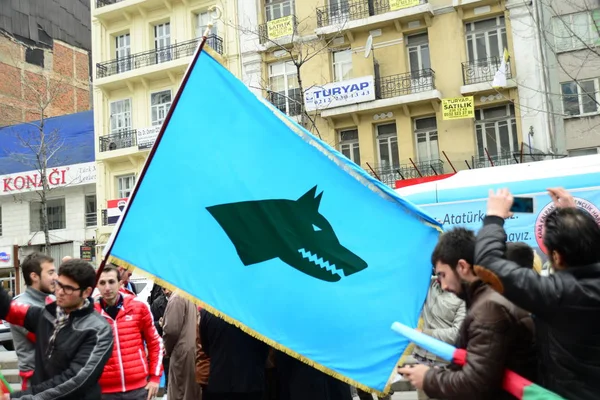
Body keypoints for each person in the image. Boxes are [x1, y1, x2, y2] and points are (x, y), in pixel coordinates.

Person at [474, 187, 600, 400]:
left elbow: (488, 264)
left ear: (557, 257)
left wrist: (494, 217)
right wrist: (574, 218)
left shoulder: (557, 295)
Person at [398, 227, 536, 400]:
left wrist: (427, 378)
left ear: (462, 266)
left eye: (443, 275)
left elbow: (476, 383)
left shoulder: (489, 308)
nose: (442, 285)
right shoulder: (489, 298)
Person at [0, 259, 113, 400]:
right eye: (58, 284)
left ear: (86, 292)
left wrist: (18, 398)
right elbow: (8, 309)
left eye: (68, 288)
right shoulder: (48, 314)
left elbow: (75, 381)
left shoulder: (98, 330)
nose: (59, 292)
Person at [95, 265, 164, 400]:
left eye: (111, 281)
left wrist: (155, 378)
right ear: (97, 285)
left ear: (120, 282)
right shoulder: (90, 312)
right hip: (104, 391)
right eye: (102, 283)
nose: (107, 287)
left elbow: (155, 343)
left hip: (137, 388)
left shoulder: (138, 307)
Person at [411, 276, 466, 400]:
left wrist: (424, 333)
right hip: (422, 360)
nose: (437, 274)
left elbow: (457, 334)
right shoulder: (429, 285)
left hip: (445, 364)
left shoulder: (463, 298)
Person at [10, 252, 57, 391]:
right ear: (34, 276)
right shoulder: (19, 306)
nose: (56, 277)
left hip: (57, 377)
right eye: (51, 273)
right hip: (35, 380)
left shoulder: (54, 300)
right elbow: (50, 339)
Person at [200, 309, 269, 400]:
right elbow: (264, 348)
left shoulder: (209, 311)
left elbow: (206, 347)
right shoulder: (257, 314)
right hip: (251, 382)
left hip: (218, 381)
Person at [163, 291, 201, 400]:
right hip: (192, 349)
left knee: (180, 392)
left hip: (181, 353)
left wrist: (167, 348)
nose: (164, 291)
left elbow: (171, 330)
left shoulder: (177, 298)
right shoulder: (189, 293)